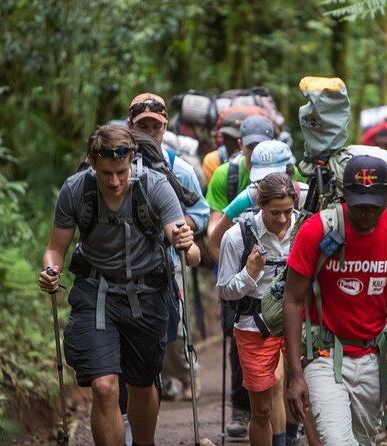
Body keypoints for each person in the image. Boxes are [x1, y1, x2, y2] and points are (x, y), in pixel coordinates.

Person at [38, 124, 200, 446]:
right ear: (92, 162)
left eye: (122, 173)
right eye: (107, 173)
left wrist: (185, 242)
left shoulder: (154, 187)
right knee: (104, 386)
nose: (114, 181)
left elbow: (190, 255)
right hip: (95, 293)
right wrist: (50, 271)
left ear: (133, 163)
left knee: (141, 386)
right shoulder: (75, 190)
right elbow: (55, 249)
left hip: (146, 295)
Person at [283, 155, 387, 445]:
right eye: (358, 204)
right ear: (345, 196)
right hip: (323, 355)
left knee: (362, 441)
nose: (366, 213)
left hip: (374, 358)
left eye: (373, 205)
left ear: (386, 197)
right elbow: (292, 298)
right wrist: (295, 374)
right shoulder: (317, 230)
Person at [126, 92, 210, 404]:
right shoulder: (118, 167)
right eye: (142, 126)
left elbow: (201, 213)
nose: (149, 133)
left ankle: (188, 375)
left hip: (168, 258)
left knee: (174, 327)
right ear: (130, 126)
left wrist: (176, 224)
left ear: (165, 128)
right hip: (127, 261)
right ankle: (157, 382)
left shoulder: (180, 169)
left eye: (155, 127)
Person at [217, 172, 298, 446]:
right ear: (260, 205)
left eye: (288, 211)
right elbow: (225, 290)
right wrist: (249, 274)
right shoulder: (237, 237)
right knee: (261, 409)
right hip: (254, 327)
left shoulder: (303, 229)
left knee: (307, 397)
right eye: (276, 212)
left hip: (297, 323)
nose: (283, 220)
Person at [207, 139, 308, 261]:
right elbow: (214, 243)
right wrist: (236, 271)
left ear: (290, 173)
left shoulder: (305, 196)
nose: (271, 185)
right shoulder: (247, 198)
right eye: (263, 180)